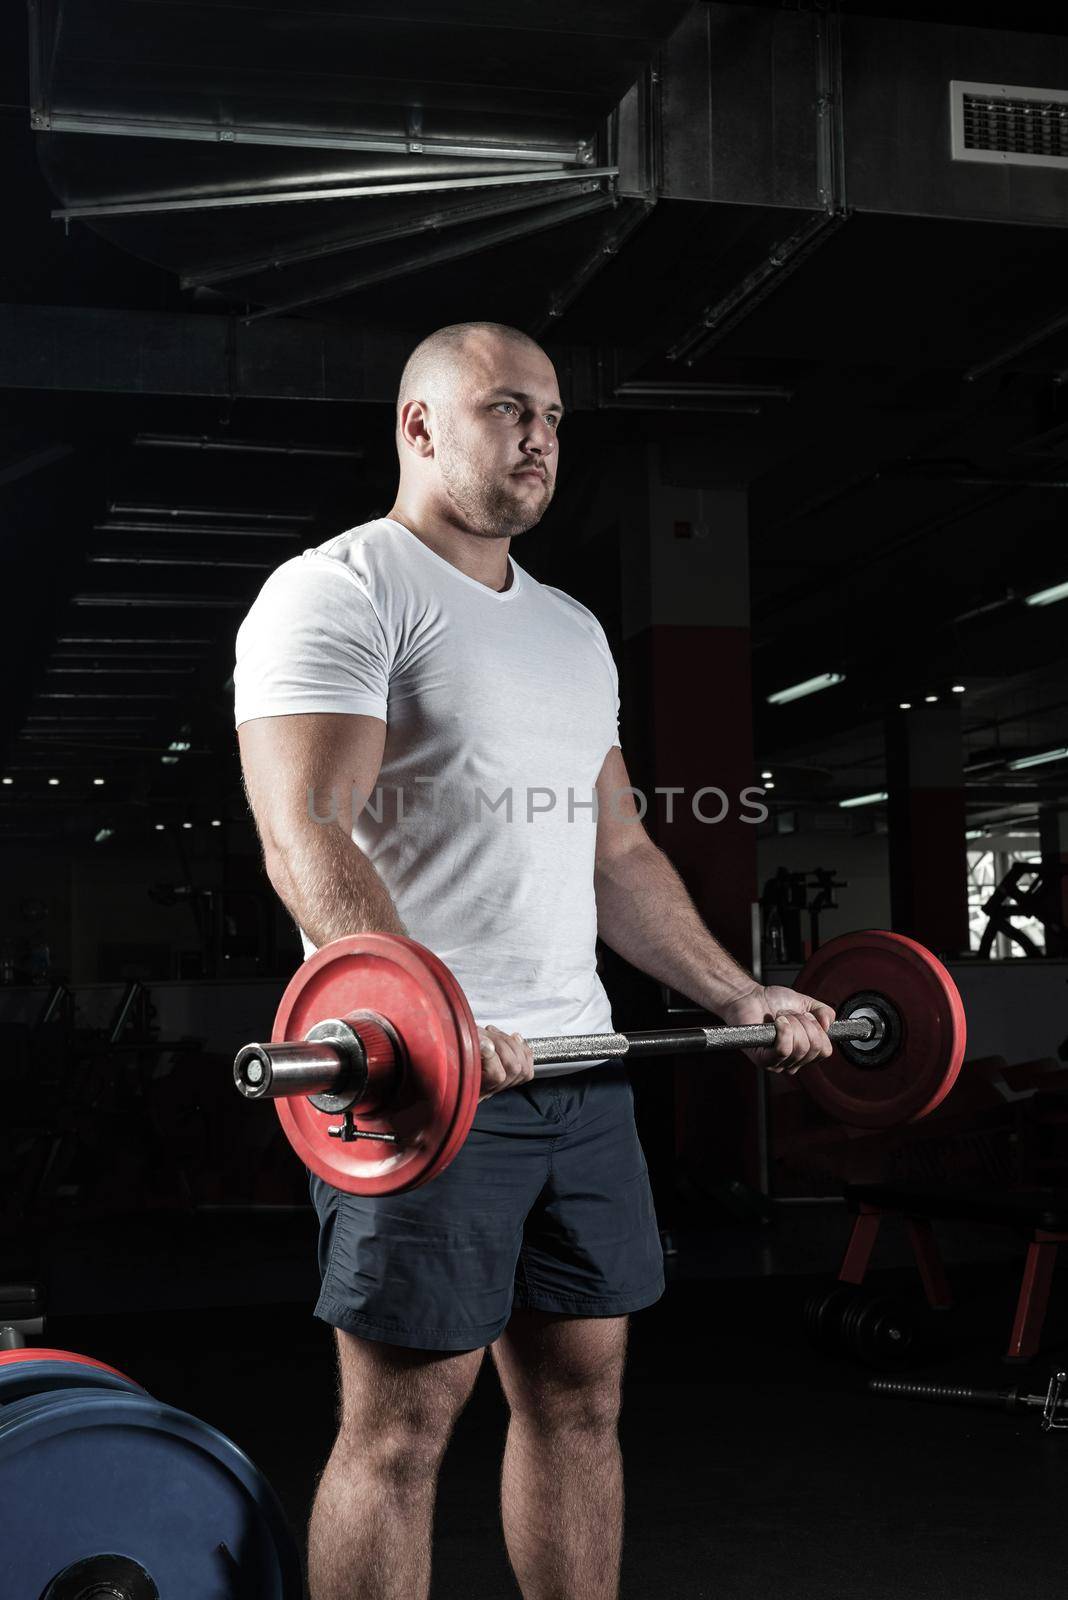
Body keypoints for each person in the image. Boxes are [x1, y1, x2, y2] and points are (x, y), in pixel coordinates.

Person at [234, 321, 835, 1600]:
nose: (540, 436)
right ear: (418, 426)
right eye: (507, 408)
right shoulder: (343, 589)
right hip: (425, 1086)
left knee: (580, 1407)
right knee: (398, 1436)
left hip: (580, 1068)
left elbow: (616, 854)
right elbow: (306, 832)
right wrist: (432, 1025)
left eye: (555, 416)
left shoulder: (571, 630)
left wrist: (739, 991)